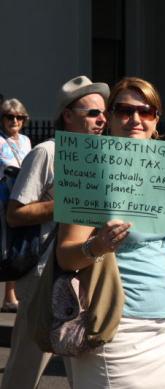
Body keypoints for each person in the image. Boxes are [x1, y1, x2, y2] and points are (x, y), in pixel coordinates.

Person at [56, 77, 165, 389]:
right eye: (124, 110)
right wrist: (96, 246)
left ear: (155, 120)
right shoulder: (90, 168)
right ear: (109, 118)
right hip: (116, 329)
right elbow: (65, 255)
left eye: (146, 112)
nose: (135, 119)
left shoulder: (164, 172)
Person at [1, 75, 108, 389]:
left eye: (103, 113)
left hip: (86, 269)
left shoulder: (101, 155)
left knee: (84, 362)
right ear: (68, 115)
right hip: (45, 272)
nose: (102, 119)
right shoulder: (47, 152)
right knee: (27, 364)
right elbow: (16, 213)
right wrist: (71, 201)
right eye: (92, 113)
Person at [0, 98, 32, 313]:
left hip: (20, 197)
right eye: (10, 117)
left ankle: (9, 296)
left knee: (14, 244)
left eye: (19, 117)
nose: (15, 120)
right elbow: (9, 166)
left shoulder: (26, 141)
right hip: (3, 195)